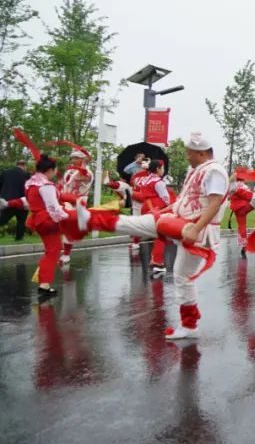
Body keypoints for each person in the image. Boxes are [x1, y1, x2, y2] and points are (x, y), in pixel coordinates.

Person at [76, 132, 228, 339]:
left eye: (189, 153)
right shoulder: (198, 171)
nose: (187, 156)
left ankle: (190, 325)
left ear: (201, 153)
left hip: (197, 231)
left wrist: (195, 228)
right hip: (180, 222)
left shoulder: (214, 172)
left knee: (182, 276)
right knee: (143, 228)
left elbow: (215, 203)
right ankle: (92, 220)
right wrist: (164, 212)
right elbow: (183, 201)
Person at [24, 155, 71, 299]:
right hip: (47, 220)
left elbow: (29, 202)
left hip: (38, 219)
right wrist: (69, 217)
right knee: (53, 251)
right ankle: (44, 285)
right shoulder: (46, 186)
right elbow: (53, 208)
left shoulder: (30, 183)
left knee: (51, 249)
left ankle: (43, 281)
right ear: (50, 170)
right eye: (54, 169)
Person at [136, 159, 173, 277]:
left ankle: (152, 259)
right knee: (161, 235)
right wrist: (171, 207)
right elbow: (166, 198)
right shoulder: (158, 182)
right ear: (157, 169)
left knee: (154, 234)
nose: (163, 170)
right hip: (156, 209)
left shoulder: (145, 179)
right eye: (162, 168)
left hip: (146, 208)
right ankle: (157, 263)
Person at [58, 146, 93, 264]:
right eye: (72, 158)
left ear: (82, 160)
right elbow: (64, 184)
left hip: (78, 202)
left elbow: (82, 177)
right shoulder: (69, 171)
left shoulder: (87, 172)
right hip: (65, 200)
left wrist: (84, 164)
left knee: (68, 227)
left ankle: (66, 254)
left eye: (76, 158)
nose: (73, 160)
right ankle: (60, 250)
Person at [0, 159, 30, 240]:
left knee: (2, 220)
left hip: (7, 201)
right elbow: (28, 188)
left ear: (16, 164)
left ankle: (19, 237)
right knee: (21, 221)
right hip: (21, 202)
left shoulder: (5, 172)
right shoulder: (26, 174)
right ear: (24, 166)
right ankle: (19, 237)